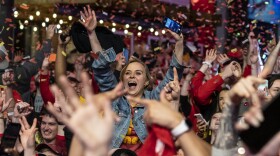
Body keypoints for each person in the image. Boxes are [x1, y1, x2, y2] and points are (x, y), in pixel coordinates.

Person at [79, 5, 185, 151]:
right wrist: (91, 34)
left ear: (146, 81)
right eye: (128, 73)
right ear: (122, 80)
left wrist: (179, 43)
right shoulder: (114, 96)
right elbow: (102, 68)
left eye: (138, 73)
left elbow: (174, 73)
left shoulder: (153, 99)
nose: (132, 76)